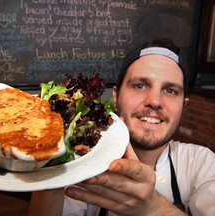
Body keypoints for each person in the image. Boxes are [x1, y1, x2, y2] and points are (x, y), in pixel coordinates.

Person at [27, 38, 215, 216]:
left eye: (170, 90)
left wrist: (154, 208)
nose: (155, 101)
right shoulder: (80, 162)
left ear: (184, 105)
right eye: (140, 85)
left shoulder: (203, 164)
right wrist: (50, 170)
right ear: (116, 97)